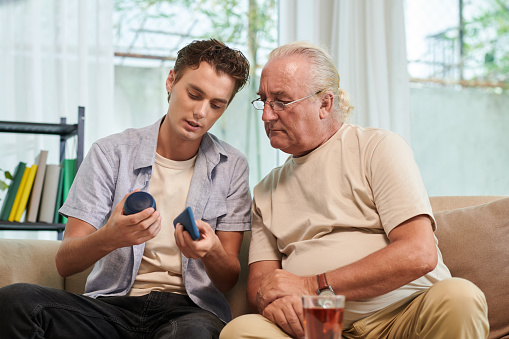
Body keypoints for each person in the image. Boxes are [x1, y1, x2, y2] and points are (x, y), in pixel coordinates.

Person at [220, 41, 489, 339]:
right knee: (240, 330)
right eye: (264, 101)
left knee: (460, 297)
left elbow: (419, 253)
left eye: (281, 101)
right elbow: (260, 282)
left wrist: (311, 286)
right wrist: (268, 302)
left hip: (404, 314)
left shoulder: (377, 148)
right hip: (321, 329)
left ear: (325, 103)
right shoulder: (265, 191)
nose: (267, 116)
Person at [0, 39, 252, 339]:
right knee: (15, 302)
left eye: (216, 105)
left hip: (189, 312)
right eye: (194, 94)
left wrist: (210, 251)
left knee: (194, 334)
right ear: (171, 80)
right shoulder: (111, 153)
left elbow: (228, 278)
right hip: (112, 308)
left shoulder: (231, 165)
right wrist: (110, 237)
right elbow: (65, 262)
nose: (201, 112)